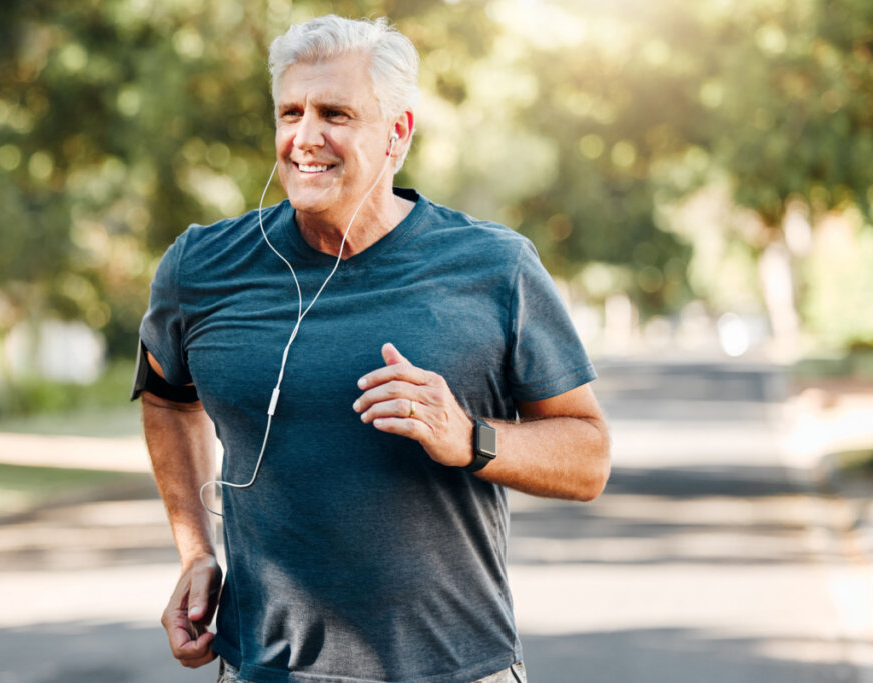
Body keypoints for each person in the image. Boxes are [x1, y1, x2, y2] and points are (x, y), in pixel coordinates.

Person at [134, 15, 610, 683]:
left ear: (397, 133)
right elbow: (165, 398)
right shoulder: (201, 267)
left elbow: (588, 457)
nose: (304, 138)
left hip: (456, 669)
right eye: (290, 112)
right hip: (265, 669)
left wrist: (468, 435)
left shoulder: (495, 267)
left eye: (335, 113)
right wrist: (195, 551)